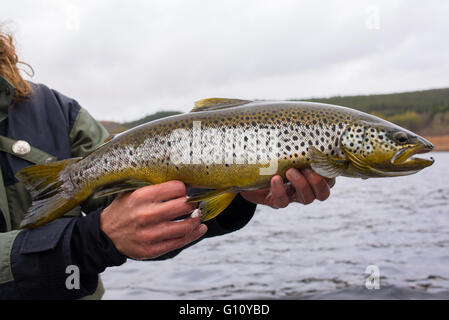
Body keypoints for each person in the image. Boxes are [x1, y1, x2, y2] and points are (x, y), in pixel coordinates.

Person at [0, 29, 335, 300]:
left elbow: (133, 218)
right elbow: (106, 231)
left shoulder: (55, 109)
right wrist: (90, 241)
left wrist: (236, 188)